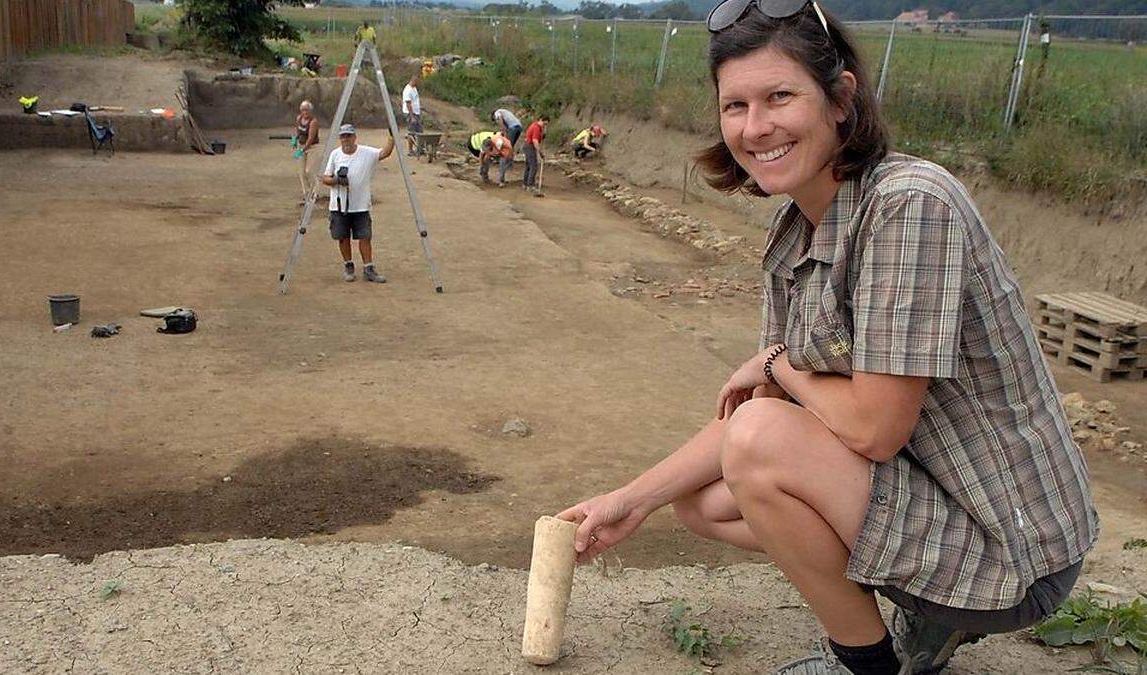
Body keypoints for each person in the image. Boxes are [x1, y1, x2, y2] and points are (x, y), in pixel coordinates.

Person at [556, 3, 1097, 675]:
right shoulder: (793, 232)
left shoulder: (910, 205)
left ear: (841, 100)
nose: (756, 128)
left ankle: (868, 663)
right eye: (736, 106)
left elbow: (870, 430)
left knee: (754, 440)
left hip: (1012, 551)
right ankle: (924, 615)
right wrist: (628, 501)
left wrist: (780, 363)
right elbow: (768, 414)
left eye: (780, 96)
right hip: (934, 497)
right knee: (700, 498)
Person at [320, 124, 395, 284]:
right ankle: (348, 265)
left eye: (348, 136)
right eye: (343, 136)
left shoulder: (366, 152)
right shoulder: (335, 155)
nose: (346, 139)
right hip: (339, 207)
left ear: (354, 137)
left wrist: (392, 136)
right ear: (340, 139)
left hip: (360, 205)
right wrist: (336, 180)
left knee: (365, 237)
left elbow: (385, 152)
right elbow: (324, 178)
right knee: (342, 237)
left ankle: (369, 268)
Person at [294, 100, 320, 200]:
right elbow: (298, 132)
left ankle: (315, 192)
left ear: (310, 111)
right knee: (301, 171)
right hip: (301, 146)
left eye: (307, 110)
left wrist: (302, 150)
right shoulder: (299, 118)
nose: (305, 112)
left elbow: (310, 138)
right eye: (303, 110)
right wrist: (294, 140)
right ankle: (306, 193)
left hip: (311, 147)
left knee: (309, 170)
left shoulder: (313, 122)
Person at [522, 113, 548, 192]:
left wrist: (544, 130)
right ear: (540, 120)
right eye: (544, 123)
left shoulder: (536, 126)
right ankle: (530, 185)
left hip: (527, 146)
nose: (544, 125)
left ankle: (525, 184)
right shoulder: (536, 128)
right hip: (530, 146)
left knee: (528, 166)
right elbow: (535, 141)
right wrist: (540, 152)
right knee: (533, 166)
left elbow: (540, 137)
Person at [402, 73, 423, 157]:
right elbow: (408, 104)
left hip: (416, 113)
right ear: (413, 80)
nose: (418, 83)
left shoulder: (414, 88)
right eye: (417, 81)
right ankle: (410, 150)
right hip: (410, 113)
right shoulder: (407, 90)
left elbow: (415, 101)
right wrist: (412, 117)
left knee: (420, 132)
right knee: (411, 132)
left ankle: (419, 149)